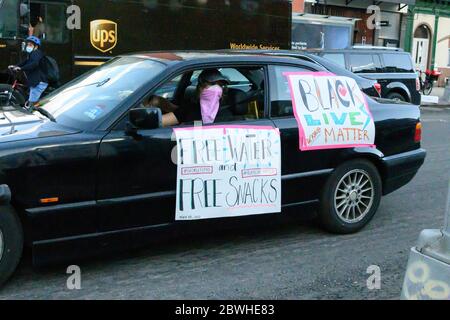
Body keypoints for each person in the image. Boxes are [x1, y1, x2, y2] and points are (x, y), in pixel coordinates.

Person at [148, 69, 229, 127]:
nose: (216, 89)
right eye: (212, 84)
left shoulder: (229, 110)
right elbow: (161, 121)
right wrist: (158, 102)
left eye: (220, 85)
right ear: (199, 88)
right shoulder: (191, 109)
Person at [9, 36, 48, 108]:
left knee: (31, 106)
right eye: (28, 45)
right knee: (31, 103)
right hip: (35, 82)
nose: (28, 46)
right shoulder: (32, 54)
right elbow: (25, 62)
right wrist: (15, 66)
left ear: (36, 46)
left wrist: (21, 68)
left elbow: (34, 64)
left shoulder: (37, 53)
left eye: (30, 45)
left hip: (39, 83)